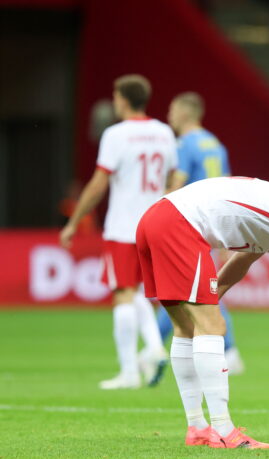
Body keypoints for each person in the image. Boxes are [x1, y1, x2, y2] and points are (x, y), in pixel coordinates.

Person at [136, 176, 269, 449]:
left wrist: (212, 295)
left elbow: (241, 263)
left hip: (156, 219)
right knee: (214, 327)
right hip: (179, 224)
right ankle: (224, 432)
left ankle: (197, 428)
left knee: (186, 328)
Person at [60, 74, 175, 390]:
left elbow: (99, 182)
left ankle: (129, 372)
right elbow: (174, 174)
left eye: (115, 95)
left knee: (123, 294)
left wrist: (74, 221)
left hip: (124, 225)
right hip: (156, 224)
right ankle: (152, 347)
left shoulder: (115, 134)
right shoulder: (164, 132)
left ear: (123, 99)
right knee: (141, 294)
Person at [152, 92, 243, 384]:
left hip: (190, 221)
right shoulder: (215, 144)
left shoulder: (184, 144)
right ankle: (227, 351)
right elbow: (228, 187)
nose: (169, 116)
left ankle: (154, 345)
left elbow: (176, 186)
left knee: (184, 288)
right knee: (197, 286)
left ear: (182, 113)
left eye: (171, 110)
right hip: (216, 219)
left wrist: (155, 215)